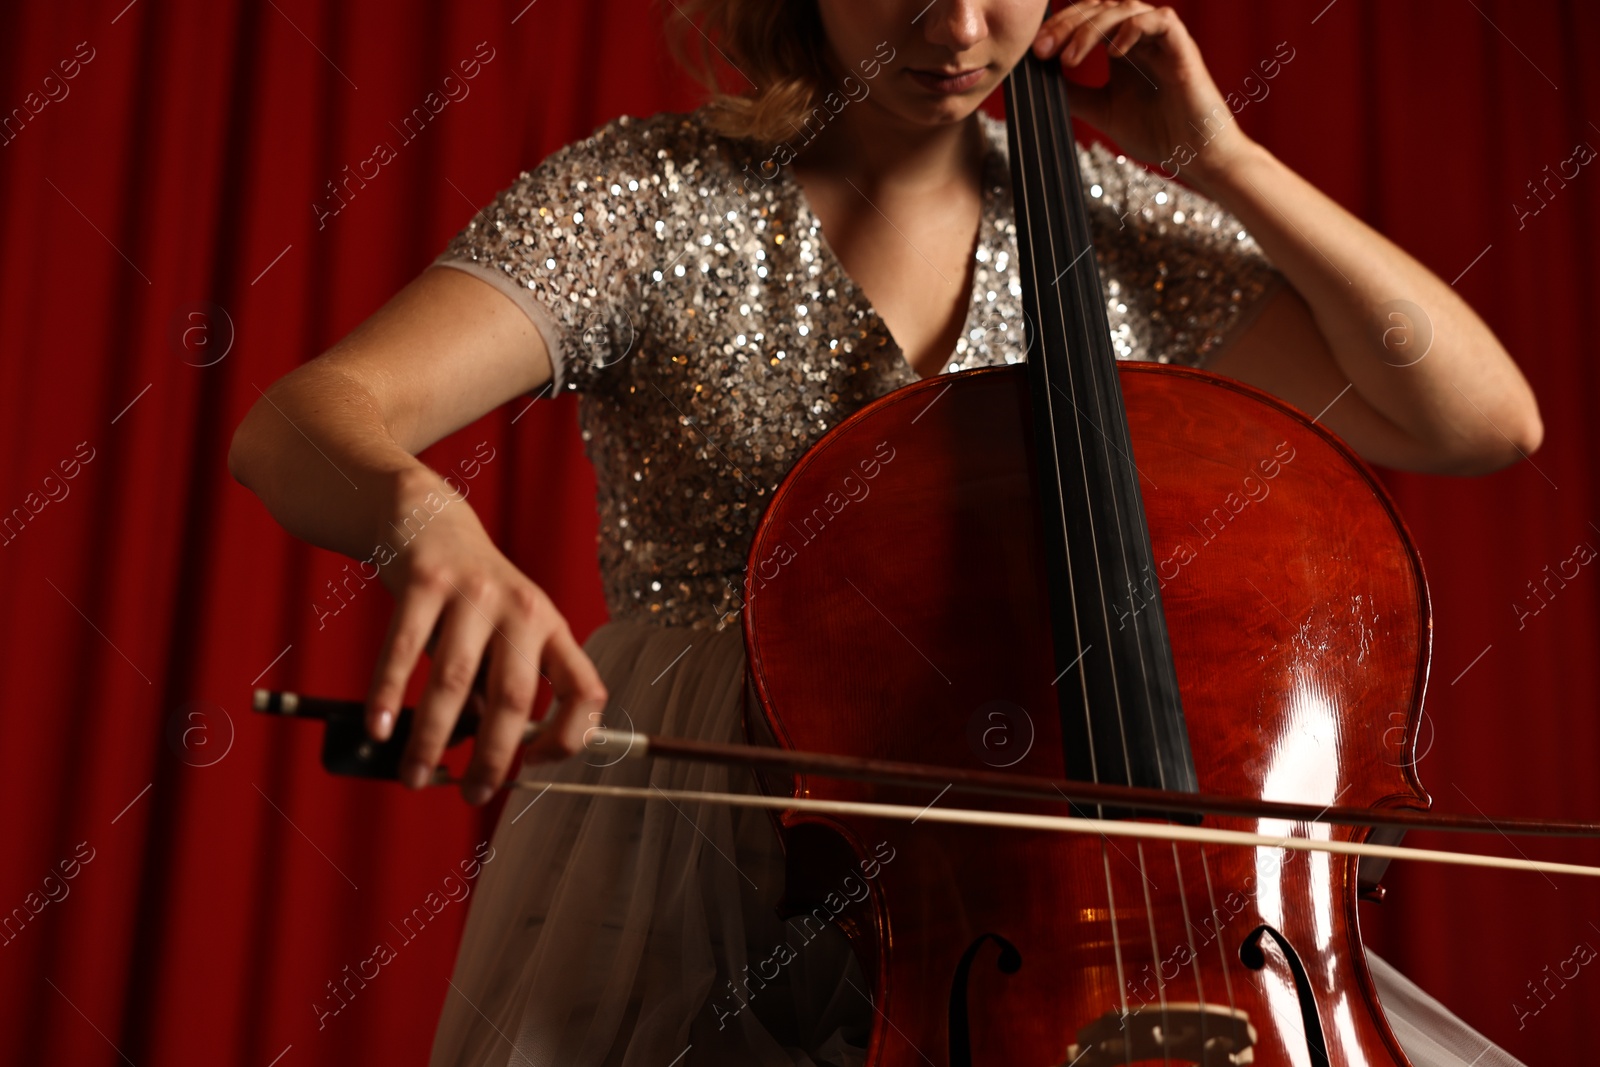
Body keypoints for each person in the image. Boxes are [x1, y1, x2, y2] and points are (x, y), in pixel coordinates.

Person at [228, 2, 1543, 1065]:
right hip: (708, 850)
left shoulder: (1113, 231)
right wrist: (429, 524)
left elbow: (1479, 421)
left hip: (1046, 875)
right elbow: (301, 421)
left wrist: (1222, 162)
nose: (962, 27)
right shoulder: (653, 202)